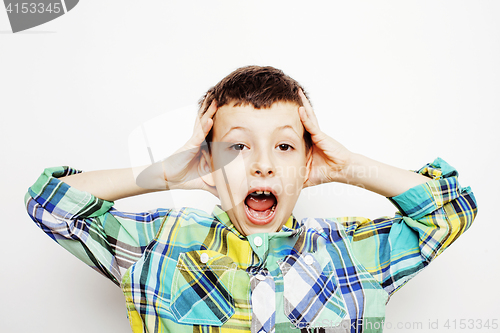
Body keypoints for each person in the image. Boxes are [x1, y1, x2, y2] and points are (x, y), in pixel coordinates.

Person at [24, 66, 477, 333]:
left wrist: (349, 167)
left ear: (307, 161)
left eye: (284, 146)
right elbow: (50, 200)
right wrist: (164, 173)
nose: (262, 165)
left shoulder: (351, 252)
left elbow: (451, 209)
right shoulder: (159, 242)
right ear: (211, 161)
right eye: (237, 147)